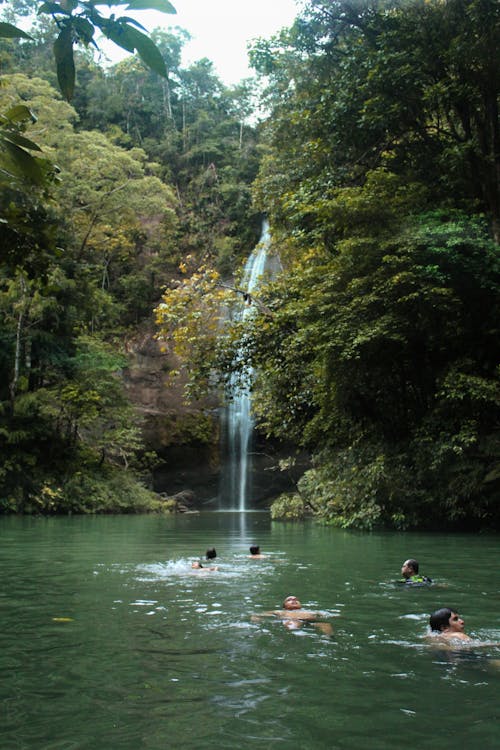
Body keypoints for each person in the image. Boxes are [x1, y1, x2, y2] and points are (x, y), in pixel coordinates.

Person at [252, 595, 333, 636]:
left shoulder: (311, 611)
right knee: (292, 623)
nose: (294, 600)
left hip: (310, 621)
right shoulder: (279, 611)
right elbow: (258, 614)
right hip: (291, 620)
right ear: (284, 606)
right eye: (289, 600)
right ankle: (293, 634)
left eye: (296, 599)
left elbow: (329, 615)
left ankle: (329, 638)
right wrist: (256, 619)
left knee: (326, 625)